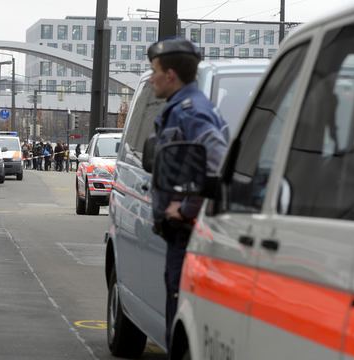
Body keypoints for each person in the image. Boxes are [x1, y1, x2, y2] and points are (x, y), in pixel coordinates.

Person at [148, 36, 229, 358]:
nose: (151, 76)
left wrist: (187, 205)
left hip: (186, 234)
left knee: (180, 323)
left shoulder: (191, 112)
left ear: (170, 75)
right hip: (182, 234)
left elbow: (217, 160)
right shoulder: (185, 108)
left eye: (154, 70)